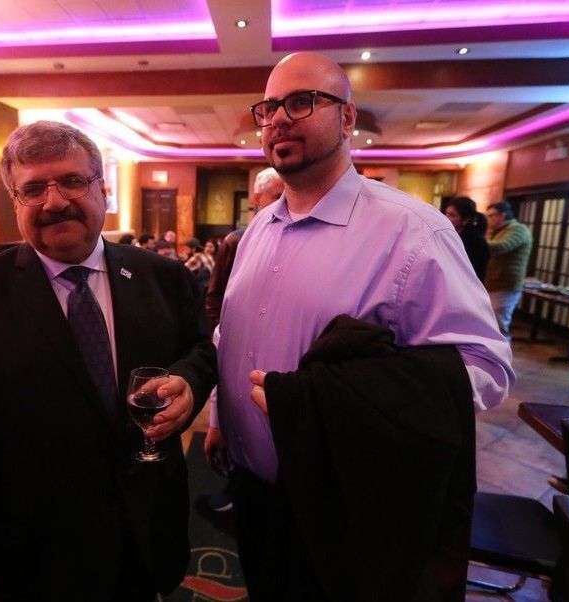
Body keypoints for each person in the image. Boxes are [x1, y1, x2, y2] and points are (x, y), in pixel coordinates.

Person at [209, 52, 513, 600]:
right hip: (253, 487)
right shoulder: (259, 230)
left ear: (348, 118)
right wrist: (218, 416)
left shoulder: (410, 232)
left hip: (340, 499)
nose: (279, 118)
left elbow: (484, 368)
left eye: (302, 102)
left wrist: (338, 401)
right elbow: (230, 336)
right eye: (269, 107)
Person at [0, 120, 216, 602]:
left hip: (146, 527)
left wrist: (187, 381)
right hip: (35, 551)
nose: (53, 202)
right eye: (32, 189)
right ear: (15, 202)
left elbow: (201, 349)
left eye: (72, 181)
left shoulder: (162, 275)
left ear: (102, 188)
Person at [205, 167, 284, 328]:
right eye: (278, 197)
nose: (283, 203)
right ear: (257, 199)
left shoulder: (290, 238)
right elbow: (214, 297)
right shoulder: (235, 241)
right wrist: (220, 335)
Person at [485, 200, 533, 337]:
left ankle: (503, 357)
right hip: (494, 283)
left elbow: (500, 247)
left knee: (499, 326)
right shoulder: (497, 231)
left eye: (491, 216)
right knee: (491, 323)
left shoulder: (519, 229)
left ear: (502, 215)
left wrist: (477, 240)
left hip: (506, 284)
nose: (489, 219)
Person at [442, 195, 490, 282]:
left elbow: (475, 272)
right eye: (447, 214)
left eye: (453, 215)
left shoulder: (476, 240)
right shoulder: (452, 233)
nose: (447, 218)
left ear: (465, 219)